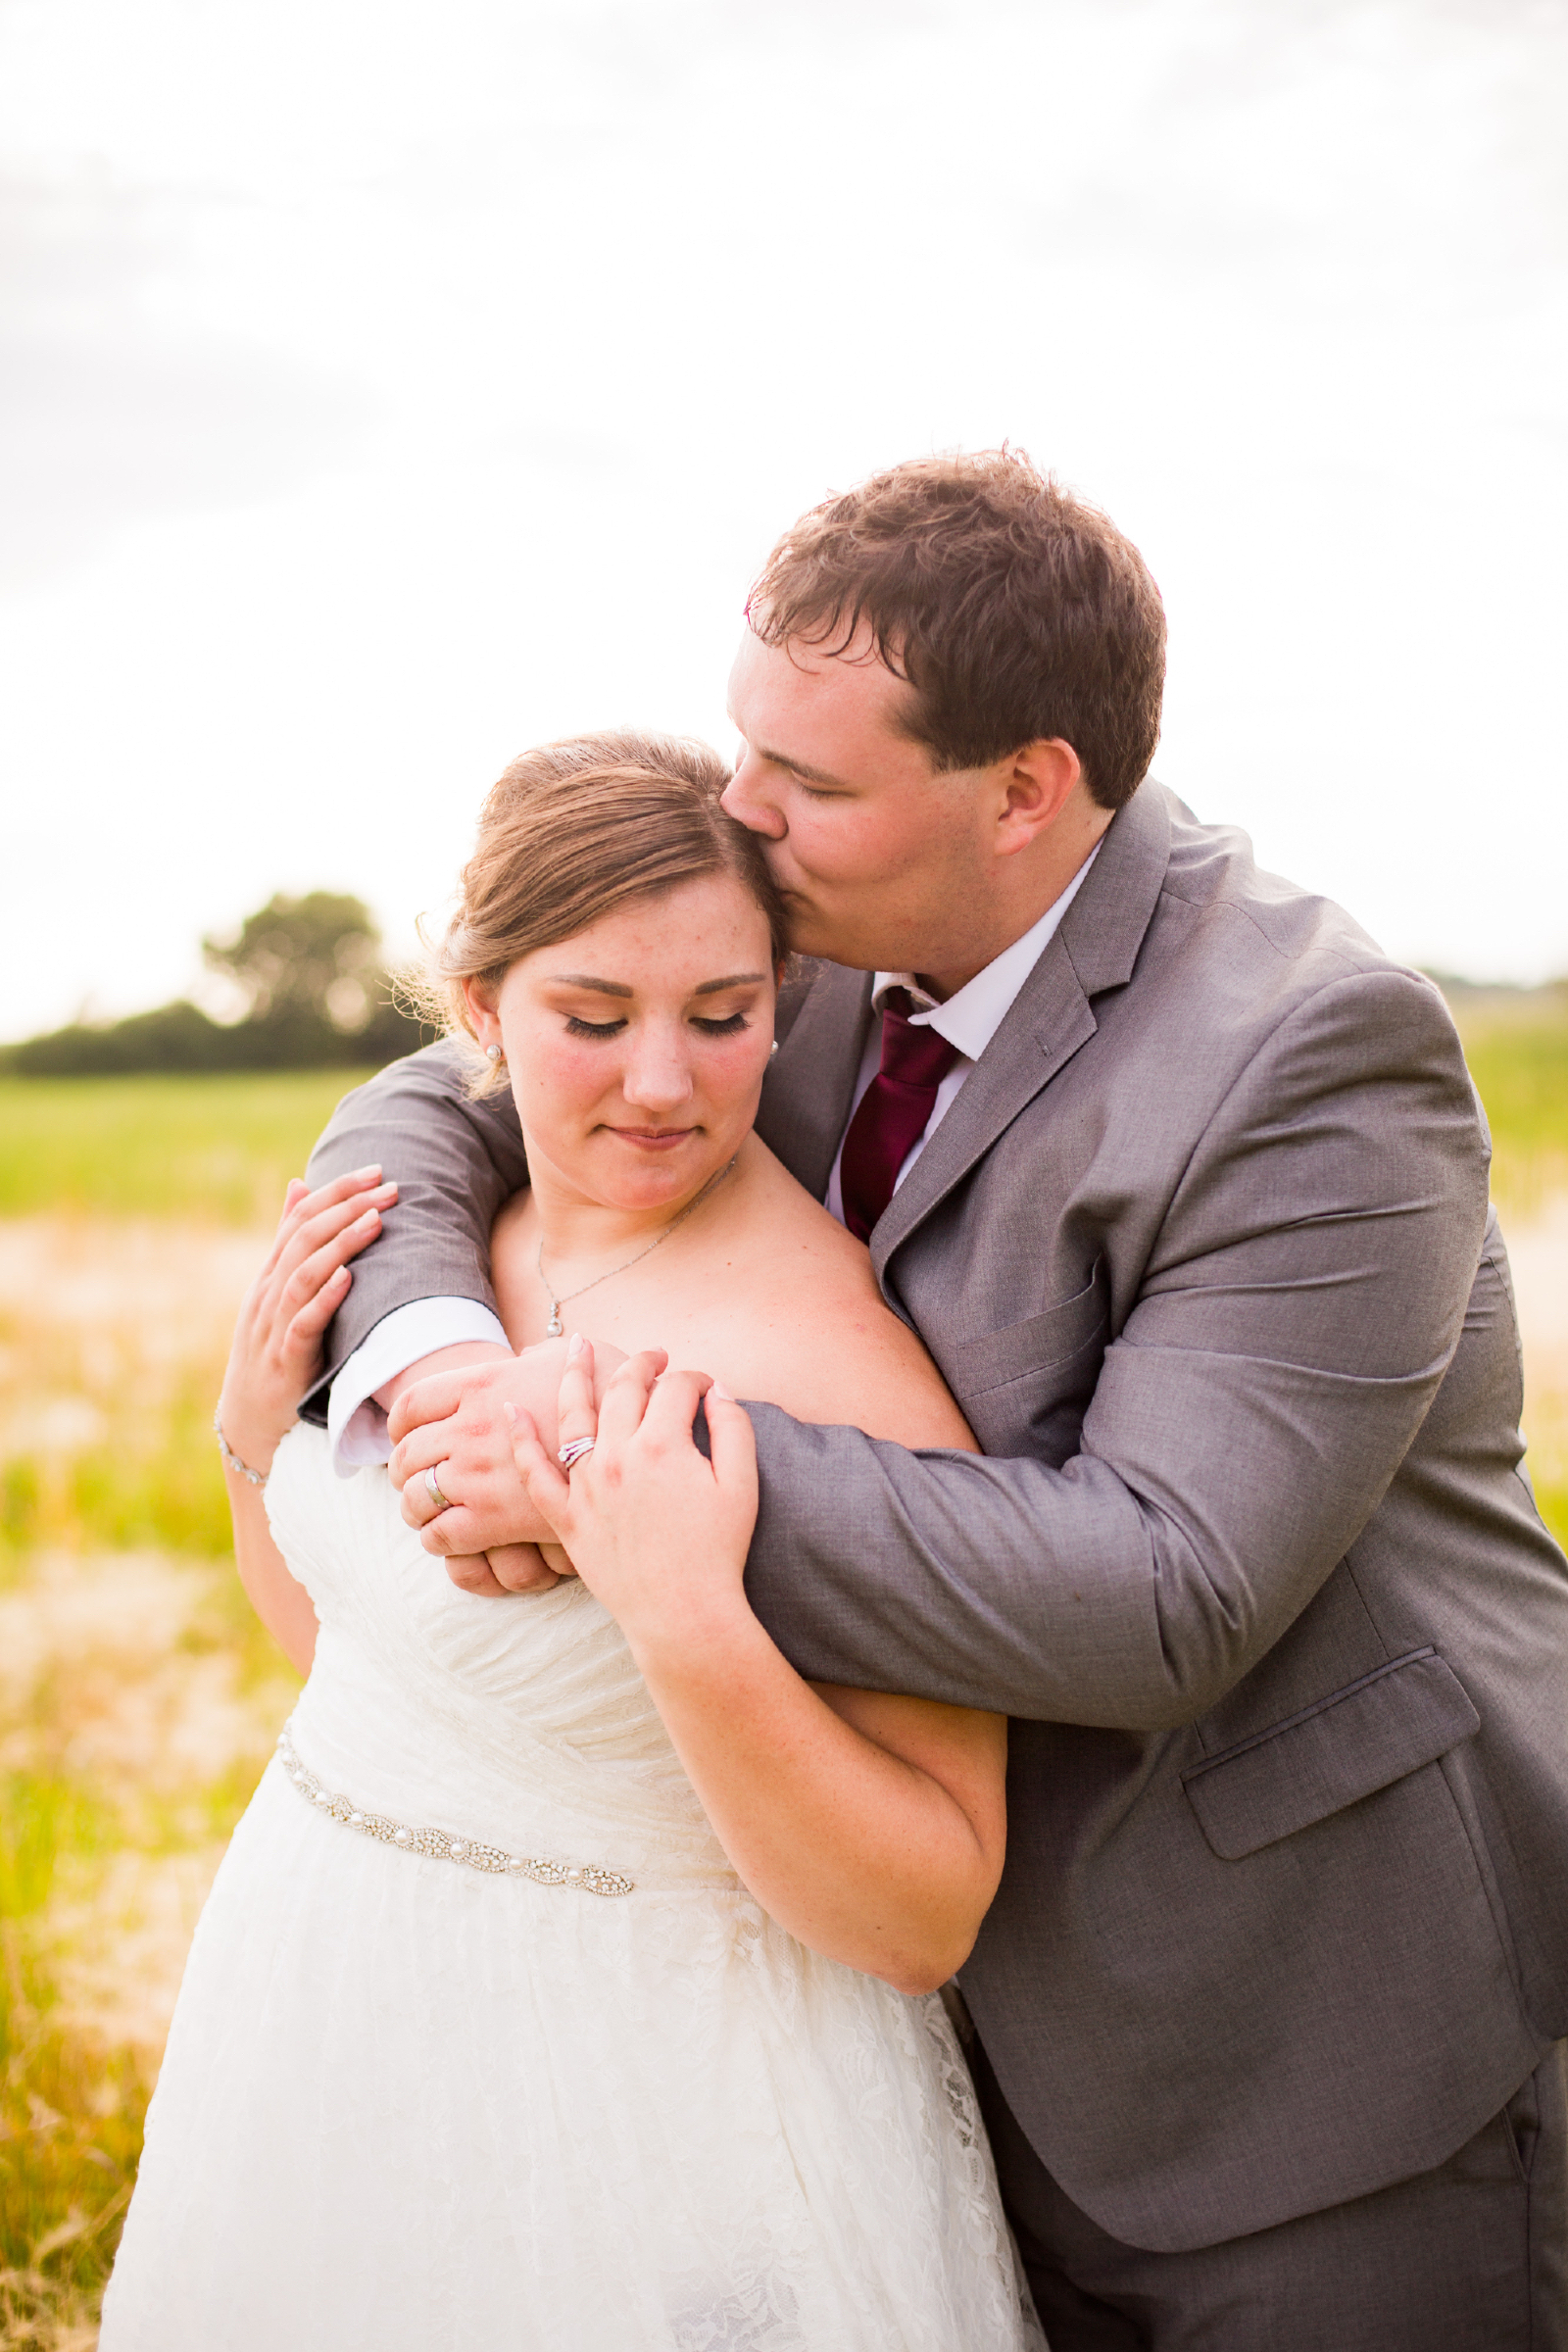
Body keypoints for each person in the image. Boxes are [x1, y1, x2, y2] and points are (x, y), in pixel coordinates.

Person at [308, 452, 1568, 2348]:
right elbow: (439, 1098)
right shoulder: (795, 939)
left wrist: (603, 1460)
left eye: (804, 781)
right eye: (747, 746)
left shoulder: (1311, 1049)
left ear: (1026, 790)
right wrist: (437, 1367)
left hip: (1308, 2052)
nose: (738, 814)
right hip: (889, 2040)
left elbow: (1164, 1591)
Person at [99, 736, 1043, 2352]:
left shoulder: (831, 1365)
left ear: (787, 996)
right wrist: (255, 1442)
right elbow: (368, 1681)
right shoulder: (439, 1252)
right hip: (325, 2022)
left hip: (652, 2109)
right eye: (593, 1021)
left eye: (724, 1016)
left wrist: (684, 1609)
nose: (663, 1083)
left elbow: (929, 1913)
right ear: (479, 1007)